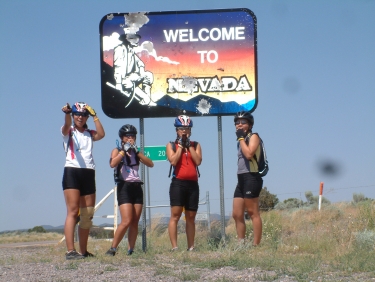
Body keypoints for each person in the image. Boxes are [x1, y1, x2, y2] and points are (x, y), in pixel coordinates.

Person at [61, 102, 105, 260]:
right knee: (73, 211)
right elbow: (66, 125)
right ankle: (70, 251)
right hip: (72, 171)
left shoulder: (90, 133)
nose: (80, 117)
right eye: (77, 114)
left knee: (87, 214)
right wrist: (66, 113)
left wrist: (95, 116)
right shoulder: (69, 131)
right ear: (73, 116)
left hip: (88, 172)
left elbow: (101, 134)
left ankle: (84, 251)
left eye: (83, 114)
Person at [105, 124, 154, 256]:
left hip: (137, 186)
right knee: (126, 220)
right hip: (124, 186)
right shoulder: (116, 150)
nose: (130, 138)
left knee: (134, 221)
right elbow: (112, 164)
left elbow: (150, 164)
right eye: (128, 136)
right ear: (122, 138)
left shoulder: (136, 152)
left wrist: (136, 152)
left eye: (132, 136)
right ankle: (113, 248)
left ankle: (131, 250)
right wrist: (123, 151)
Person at [166, 115, 202, 251]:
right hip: (178, 183)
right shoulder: (171, 145)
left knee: (191, 217)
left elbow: (198, 161)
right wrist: (181, 147)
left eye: (187, 128)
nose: (184, 131)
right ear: (176, 130)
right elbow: (173, 161)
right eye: (181, 128)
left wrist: (189, 147)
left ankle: (191, 247)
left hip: (193, 184)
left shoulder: (196, 144)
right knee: (175, 215)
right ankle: (174, 247)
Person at [232, 111, 263, 246]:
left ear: (250, 125)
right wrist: (241, 139)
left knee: (252, 212)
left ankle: (256, 245)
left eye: (243, 122)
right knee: (237, 213)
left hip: (252, 177)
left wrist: (240, 139)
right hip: (241, 179)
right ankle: (241, 243)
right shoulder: (241, 140)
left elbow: (249, 154)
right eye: (237, 122)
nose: (239, 125)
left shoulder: (254, 136)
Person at [113, 31, 154, 106]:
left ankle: (147, 98)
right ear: (128, 39)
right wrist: (118, 83)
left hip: (132, 76)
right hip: (124, 80)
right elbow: (118, 67)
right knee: (127, 82)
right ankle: (146, 99)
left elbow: (140, 63)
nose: (137, 40)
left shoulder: (131, 50)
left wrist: (141, 71)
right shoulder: (119, 49)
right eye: (134, 38)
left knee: (148, 75)